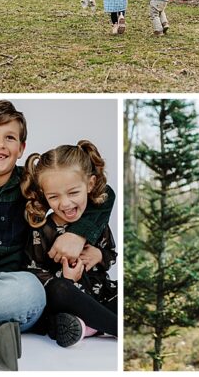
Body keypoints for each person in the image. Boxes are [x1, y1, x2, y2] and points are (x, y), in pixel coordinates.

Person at [0, 101, 114, 370]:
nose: (0, 144)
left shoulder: (33, 186)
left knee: (31, 292)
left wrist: (78, 235)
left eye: (10, 137)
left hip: (9, 287)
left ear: (21, 148)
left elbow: (104, 194)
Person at [22, 141, 118, 347]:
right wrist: (65, 278)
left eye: (73, 193)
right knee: (59, 291)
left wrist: (99, 256)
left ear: (90, 185)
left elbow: (111, 254)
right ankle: (114, 327)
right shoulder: (43, 229)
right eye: (54, 197)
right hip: (68, 299)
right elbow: (33, 270)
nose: (65, 204)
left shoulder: (96, 223)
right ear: (44, 195)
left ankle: (90, 326)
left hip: (100, 293)